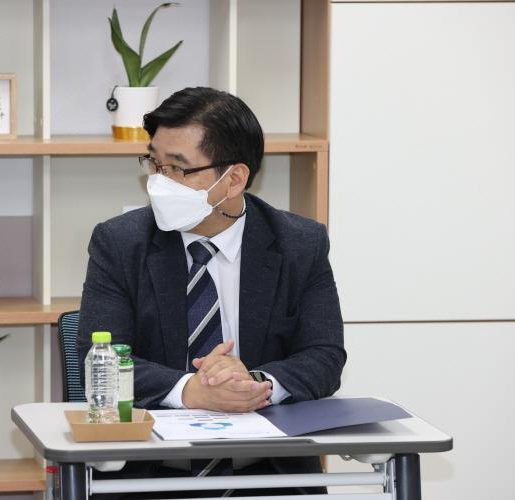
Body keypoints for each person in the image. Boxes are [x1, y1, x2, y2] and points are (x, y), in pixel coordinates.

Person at [77, 86, 346, 497]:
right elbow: (102, 357)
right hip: (148, 474)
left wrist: (254, 384)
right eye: (154, 163)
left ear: (233, 179)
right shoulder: (120, 243)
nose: (158, 182)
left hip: (268, 476)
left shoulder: (299, 244)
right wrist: (191, 390)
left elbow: (324, 356)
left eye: (177, 168)